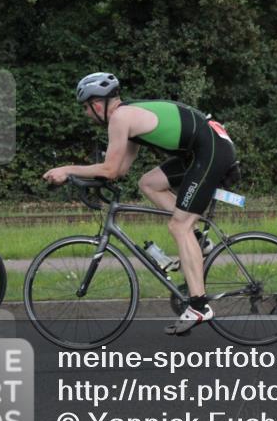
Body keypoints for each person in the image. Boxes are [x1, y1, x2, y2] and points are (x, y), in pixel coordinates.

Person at [42, 72, 237, 335]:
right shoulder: (129, 119)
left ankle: (199, 306)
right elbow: (120, 170)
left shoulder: (120, 118)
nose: (86, 114)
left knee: (179, 226)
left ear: (97, 105)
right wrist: (85, 179)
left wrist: (67, 169)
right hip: (204, 148)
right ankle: (198, 239)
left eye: (86, 109)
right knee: (148, 183)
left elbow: (109, 169)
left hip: (210, 150)